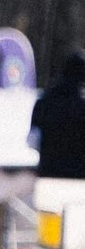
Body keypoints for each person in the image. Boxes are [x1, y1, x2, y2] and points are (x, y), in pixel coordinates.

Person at [31, 48, 85, 180]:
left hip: (48, 175)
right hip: (79, 178)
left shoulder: (44, 101)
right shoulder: (82, 104)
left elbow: (32, 140)